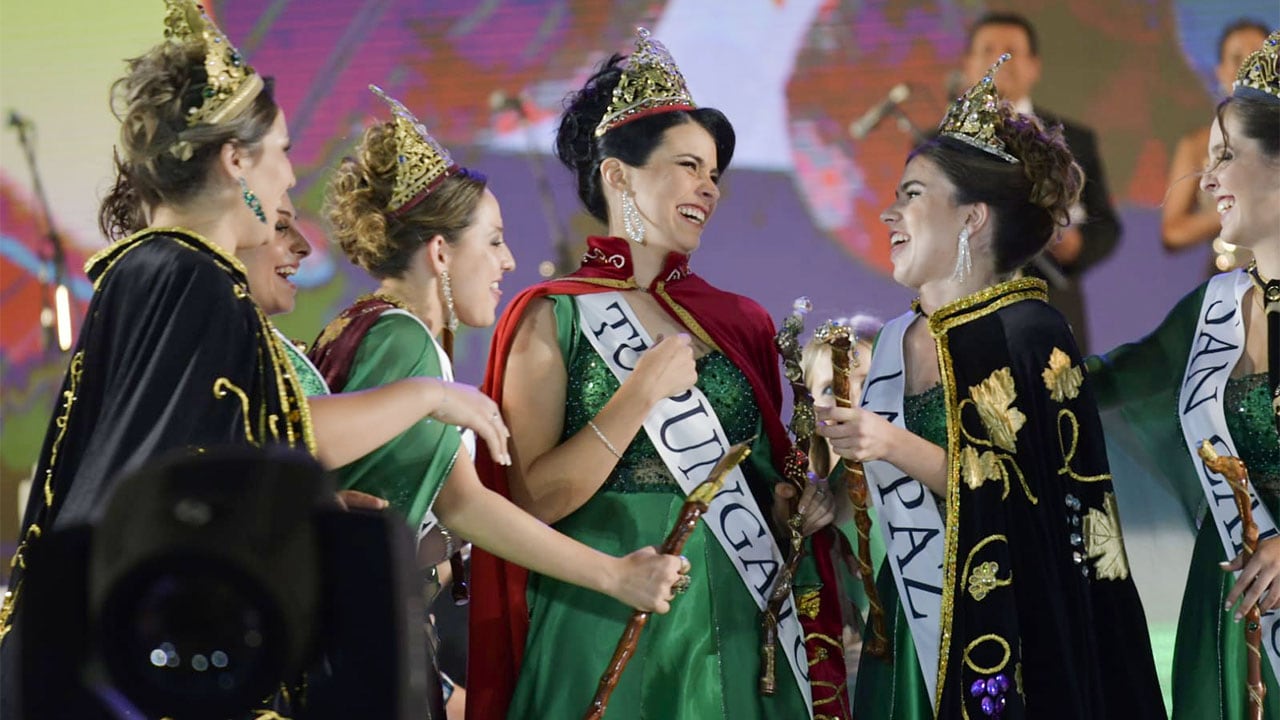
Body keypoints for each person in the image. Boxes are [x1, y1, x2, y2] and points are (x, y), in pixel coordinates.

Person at [467, 28, 847, 720]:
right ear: (618, 175)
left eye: (714, 174)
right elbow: (530, 504)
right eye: (688, 166)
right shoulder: (550, 317)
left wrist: (799, 505)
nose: (710, 188)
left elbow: (774, 479)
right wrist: (640, 390)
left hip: (739, 617)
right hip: (604, 614)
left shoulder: (739, 321)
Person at [816, 55, 1166, 718]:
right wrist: (826, 497)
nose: (890, 213)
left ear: (972, 218)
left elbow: (1035, 504)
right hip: (913, 631)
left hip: (1008, 627)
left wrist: (890, 443)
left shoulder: (1031, 331)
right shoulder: (895, 339)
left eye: (913, 195)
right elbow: (879, 487)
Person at [306, 81, 685, 661]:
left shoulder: (361, 325)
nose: (508, 260)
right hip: (356, 631)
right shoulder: (406, 342)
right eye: (495, 241)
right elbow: (466, 506)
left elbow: (455, 506)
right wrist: (613, 575)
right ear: (440, 253)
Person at [1, 0, 300, 664]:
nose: (291, 174)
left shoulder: (149, 268)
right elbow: (165, 481)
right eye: (281, 151)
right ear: (235, 161)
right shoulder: (196, 280)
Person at [1086, 29, 1280, 719]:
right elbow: (1100, 383)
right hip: (1227, 596)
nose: (1206, 180)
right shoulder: (1212, 307)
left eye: (1226, 157)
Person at [961, 11, 1121, 354]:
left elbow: (1106, 225)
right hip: (966, 307)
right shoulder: (942, 144)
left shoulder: (1073, 139)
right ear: (968, 64)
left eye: (1012, 51)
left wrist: (1076, 246)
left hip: (1052, 305)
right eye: (987, 50)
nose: (999, 60)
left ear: (1035, 66)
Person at [1161, 19, 1269, 272]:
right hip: (1231, 281)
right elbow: (1173, 232)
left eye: (1258, 59)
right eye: (1237, 59)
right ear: (1220, 72)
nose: (1248, 69)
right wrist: (1235, 207)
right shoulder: (1201, 144)